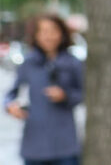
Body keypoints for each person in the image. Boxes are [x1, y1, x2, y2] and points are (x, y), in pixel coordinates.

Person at [3, 13, 84, 165]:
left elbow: (83, 94)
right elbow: (11, 94)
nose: (49, 36)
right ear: (36, 35)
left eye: (53, 31)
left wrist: (65, 96)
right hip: (35, 143)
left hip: (65, 144)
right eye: (43, 31)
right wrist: (10, 106)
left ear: (62, 33)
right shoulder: (28, 63)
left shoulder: (73, 63)